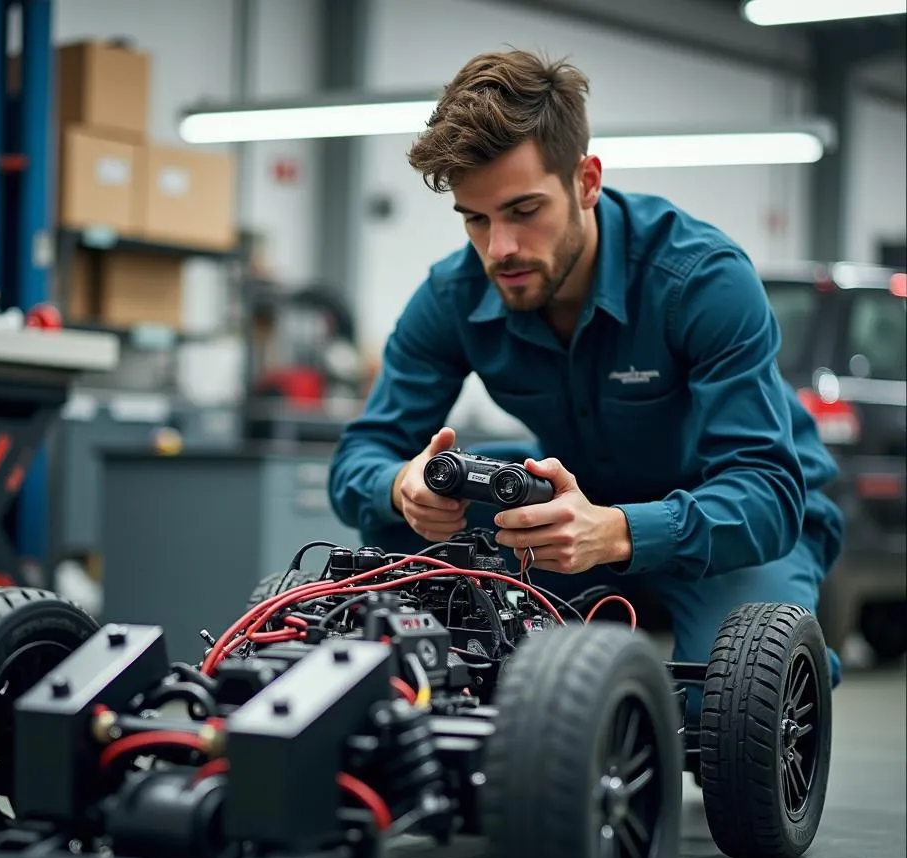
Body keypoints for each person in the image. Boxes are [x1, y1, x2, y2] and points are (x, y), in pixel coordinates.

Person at [327, 48, 845, 693]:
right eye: (475, 220)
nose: (501, 248)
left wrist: (619, 530)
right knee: (395, 530)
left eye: (523, 211)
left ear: (586, 183)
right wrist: (402, 484)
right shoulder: (453, 296)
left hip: (733, 517)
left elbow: (767, 493)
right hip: (570, 507)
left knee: (728, 693)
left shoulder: (701, 280)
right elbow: (358, 460)